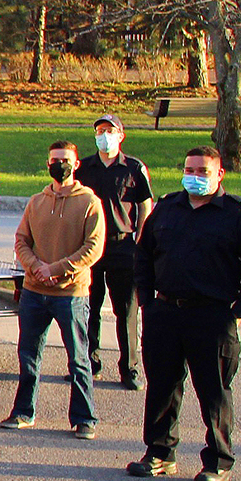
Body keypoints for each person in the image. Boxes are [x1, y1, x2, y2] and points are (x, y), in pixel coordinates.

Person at [126, 147, 241, 481]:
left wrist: (234, 313)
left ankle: (218, 463)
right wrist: (147, 302)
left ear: (220, 174)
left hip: (212, 317)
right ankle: (160, 454)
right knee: (162, 387)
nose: (195, 176)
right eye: (190, 169)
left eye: (203, 171)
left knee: (214, 393)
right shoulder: (166, 208)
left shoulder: (237, 215)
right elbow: (144, 256)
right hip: (165, 313)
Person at [0, 140, 104, 437]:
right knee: (29, 355)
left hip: (70, 294)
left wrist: (55, 269)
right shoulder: (36, 201)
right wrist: (36, 268)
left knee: (79, 359)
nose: (60, 165)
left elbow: (93, 248)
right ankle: (23, 412)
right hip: (34, 291)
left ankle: (85, 419)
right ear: (48, 164)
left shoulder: (89, 202)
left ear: (76, 164)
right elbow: (21, 241)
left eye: (65, 160)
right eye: (54, 160)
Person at [78, 115, 153, 388]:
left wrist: (140, 239)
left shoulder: (133, 168)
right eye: (100, 130)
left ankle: (130, 369)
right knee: (88, 309)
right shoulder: (84, 167)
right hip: (91, 247)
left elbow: (145, 205)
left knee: (127, 311)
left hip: (123, 246)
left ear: (121, 135)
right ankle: (88, 364)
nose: (104, 135)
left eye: (110, 130)